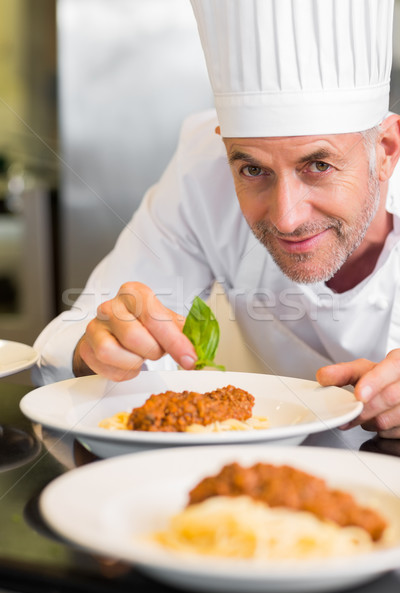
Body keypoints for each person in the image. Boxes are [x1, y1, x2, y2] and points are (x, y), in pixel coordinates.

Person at [33, 0, 400, 439]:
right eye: (252, 171)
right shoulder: (201, 170)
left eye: (318, 166)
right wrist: (100, 347)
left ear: (386, 150)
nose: (285, 217)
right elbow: (72, 341)